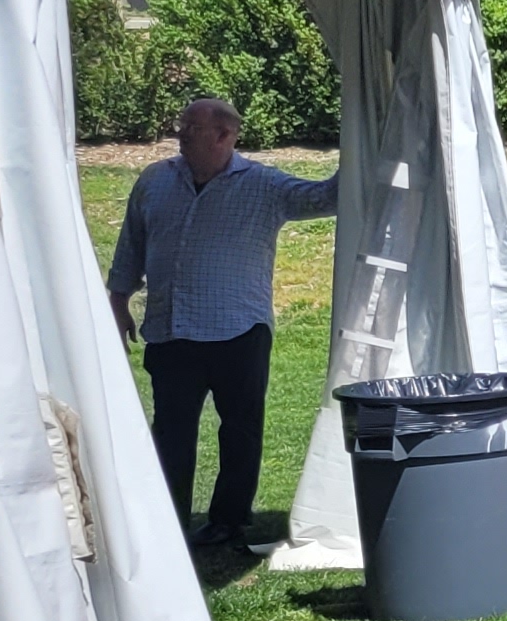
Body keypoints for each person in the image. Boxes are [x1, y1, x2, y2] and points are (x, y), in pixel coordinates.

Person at [107, 96, 337, 553]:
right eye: (182, 124)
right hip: (171, 329)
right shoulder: (155, 180)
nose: (182, 132)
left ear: (225, 136)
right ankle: (168, 519)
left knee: (240, 428)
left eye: (193, 126)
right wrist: (118, 299)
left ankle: (228, 521)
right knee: (171, 429)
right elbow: (131, 242)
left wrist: (365, 146)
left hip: (239, 332)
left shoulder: (263, 185)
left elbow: (326, 198)